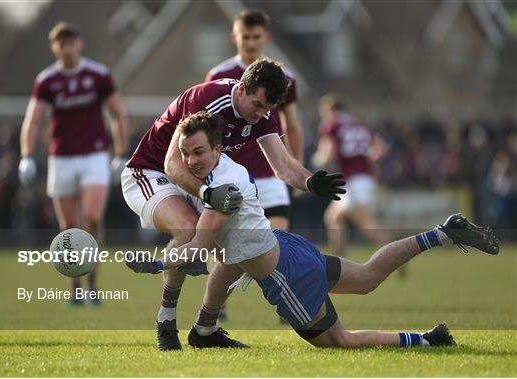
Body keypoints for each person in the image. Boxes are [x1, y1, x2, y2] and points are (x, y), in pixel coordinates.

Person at [126, 111, 499, 348]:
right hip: (287, 247)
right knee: (368, 276)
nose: (190, 161)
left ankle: (427, 341)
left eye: (199, 153)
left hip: (287, 275)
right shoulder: (225, 172)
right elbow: (221, 256)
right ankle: (442, 233)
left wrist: (156, 264)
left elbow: (198, 245)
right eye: (186, 153)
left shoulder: (225, 191)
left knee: (338, 341)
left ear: (218, 150)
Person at [121, 59, 345, 350]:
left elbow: (284, 165)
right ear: (241, 89)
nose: (261, 114)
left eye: (267, 108)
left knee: (237, 247)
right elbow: (173, 162)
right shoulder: (207, 100)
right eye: (258, 104)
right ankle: (166, 321)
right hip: (151, 173)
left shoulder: (261, 114)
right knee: (190, 232)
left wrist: (310, 182)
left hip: (196, 180)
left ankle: (206, 329)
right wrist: (206, 194)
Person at [18, 22, 129, 305]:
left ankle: (92, 283)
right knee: (69, 227)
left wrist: (121, 152)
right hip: (62, 158)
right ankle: (75, 287)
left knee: (92, 218)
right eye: (60, 43)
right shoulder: (47, 80)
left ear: (79, 43)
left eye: (70, 42)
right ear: (54, 47)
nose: (66, 48)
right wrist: (27, 154)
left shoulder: (98, 75)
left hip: (94, 156)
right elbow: (33, 120)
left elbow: (117, 113)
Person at [205, 9, 304, 232]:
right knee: (223, 248)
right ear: (234, 37)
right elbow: (208, 129)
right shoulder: (218, 75)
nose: (250, 43)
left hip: (270, 172)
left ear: (266, 38)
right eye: (245, 36)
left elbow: (292, 125)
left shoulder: (285, 78)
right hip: (230, 173)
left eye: (256, 37)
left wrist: (297, 166)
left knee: (279, 242)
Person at [312, 93, 390, 258]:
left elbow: (327, 154)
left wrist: (317, 162)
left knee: (366, 226)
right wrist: (367, 162)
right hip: (362, 178)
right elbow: (381, 148)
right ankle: (339, 261)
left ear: (329, 110)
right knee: (333, 218)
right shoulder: (357, 124)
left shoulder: (332, 125)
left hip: (352, 180)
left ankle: (394, 251)